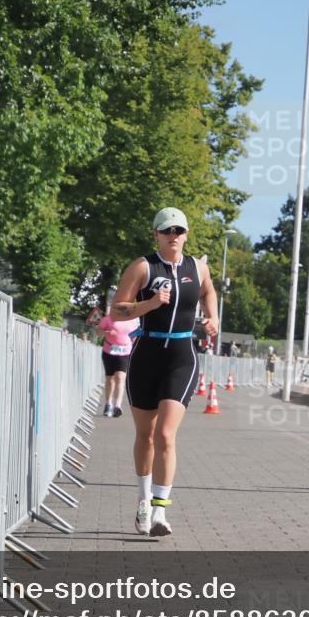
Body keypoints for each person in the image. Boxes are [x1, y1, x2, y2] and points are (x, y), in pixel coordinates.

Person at [111, 207, 218, 537]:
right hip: (146, 355)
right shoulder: (143, 266)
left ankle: (160, 511)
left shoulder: (197, 267)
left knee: (166, 435)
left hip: (182, 355)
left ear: (186, 234)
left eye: (180, 231)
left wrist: (213, 317)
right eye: (167, 230)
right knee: (145, 436)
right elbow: (117, 310)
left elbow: (208, 290)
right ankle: (143, 504)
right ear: (156, 234)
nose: (174, 236)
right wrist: (151, 304)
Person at [98, 312, 140, 417]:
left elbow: (136, 337)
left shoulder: (132, 321)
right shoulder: (108, 319)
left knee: (120, 377)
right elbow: (98, 332)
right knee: (110, 379)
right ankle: (108, 404)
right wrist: (106, 332)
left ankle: (117, 406)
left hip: (125, 352)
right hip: (109, 351)